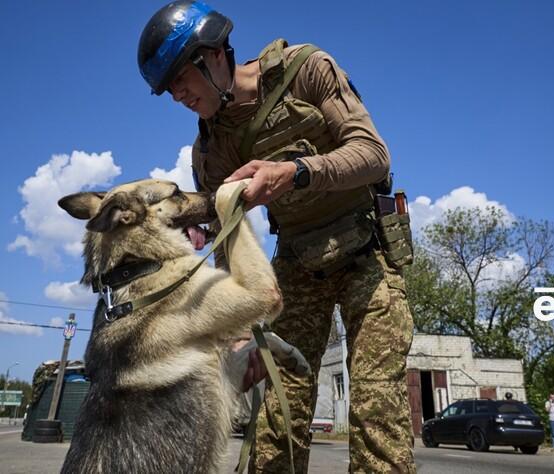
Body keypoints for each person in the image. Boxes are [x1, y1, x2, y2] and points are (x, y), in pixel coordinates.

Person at [137, 2, 417, 473]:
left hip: (366, 252)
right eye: (167, 89)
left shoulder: (305, 70)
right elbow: (225, 233)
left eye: (181, 77)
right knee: (276, 422)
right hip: (297, 264)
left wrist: (296, 172)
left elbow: (374, 155)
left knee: (376, 412)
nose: (177, 95)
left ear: (213, 53)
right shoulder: (210, 149)